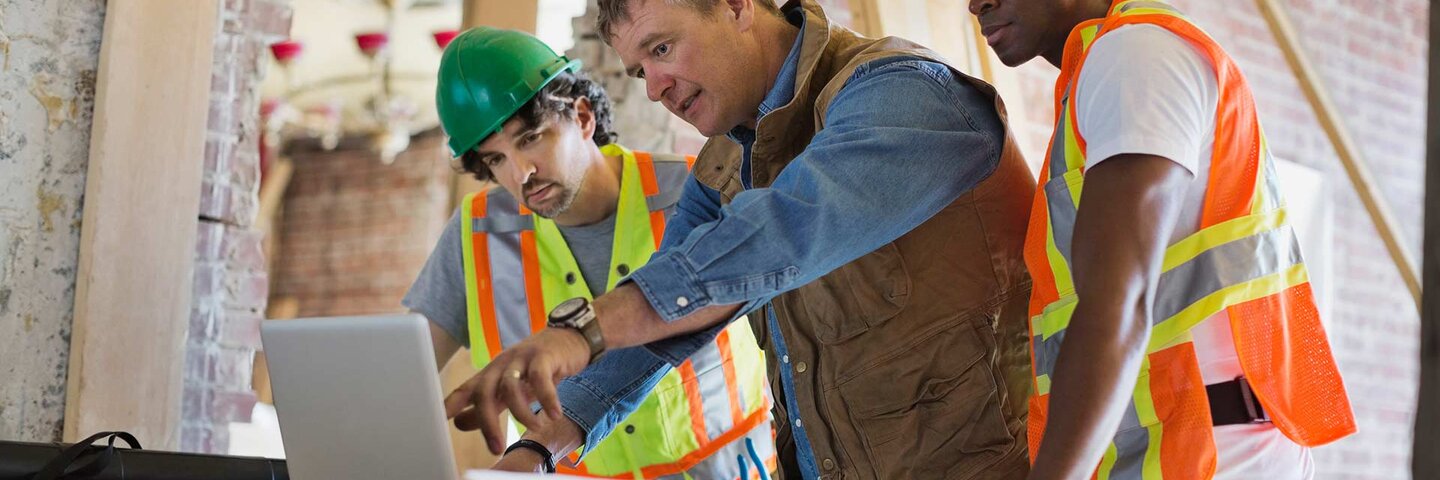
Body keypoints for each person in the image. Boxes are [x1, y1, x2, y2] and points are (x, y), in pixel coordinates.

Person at [443, 0, 1038, 478]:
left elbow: (783, 230)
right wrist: (538, 450)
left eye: (661, 48)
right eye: (639, 70)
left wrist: (585, 328)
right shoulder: (725, 160)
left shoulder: (904, 93)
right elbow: (666, 324)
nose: (654, 88)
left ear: (735, 5)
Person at [967, 0, 1357, 477]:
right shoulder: (1107, 65)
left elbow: (1118, 305)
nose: (975, 3)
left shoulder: (1136, 56)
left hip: (1214, 456)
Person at [405, 27, 776, 478]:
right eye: (496, 159)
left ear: (582, 117)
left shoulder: (693, 190)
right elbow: (400, 369)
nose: (521, 174)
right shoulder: (476, 232)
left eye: (530, 139)